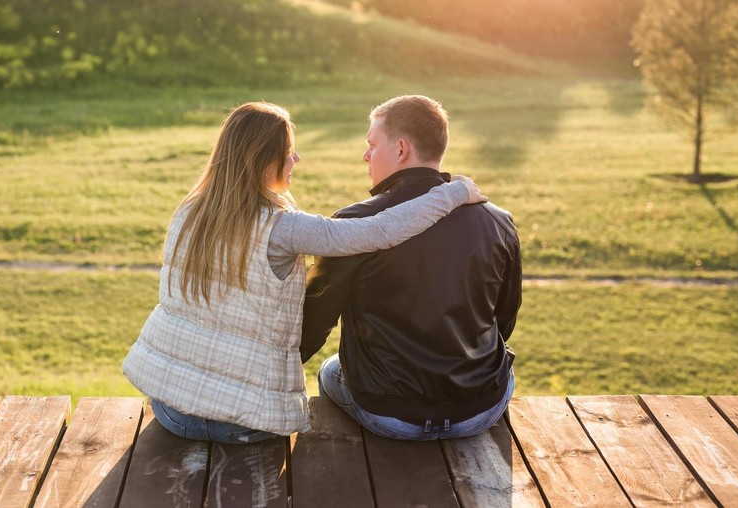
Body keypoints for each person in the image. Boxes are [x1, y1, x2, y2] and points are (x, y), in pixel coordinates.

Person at [122, 101, 487, 443]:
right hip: (246, 425)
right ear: (263, 161)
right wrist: (453, 193)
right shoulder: (284, 228)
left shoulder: (187, 212)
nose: (296, 158)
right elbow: (379, 231)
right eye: (288, 153)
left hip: (172, 411)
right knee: (334, 372)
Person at [300, 95, 522, 441]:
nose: (366, 156)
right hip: (479, 408)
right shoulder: (499, 220)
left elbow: (313, 325)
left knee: (331, 369)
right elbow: (504, 319)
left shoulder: (353, 225)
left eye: (372, 144)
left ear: (401, 149)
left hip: (388, 414)